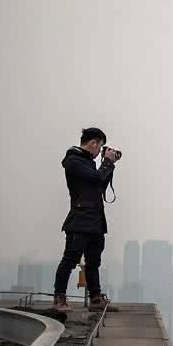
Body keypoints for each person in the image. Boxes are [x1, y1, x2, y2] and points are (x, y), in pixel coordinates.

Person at [52, 127, 121, 316]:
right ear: (93, 143)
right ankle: (59, 298)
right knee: (70, 260)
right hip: (80, 220)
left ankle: (96, 298)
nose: (100, 152)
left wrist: (110, 165)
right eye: (100, 147)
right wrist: (107, 162)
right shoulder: (74, 161)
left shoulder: (88, 163)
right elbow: (95, 179)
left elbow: (98, 186)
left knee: (93, 261)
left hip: (95, 220)